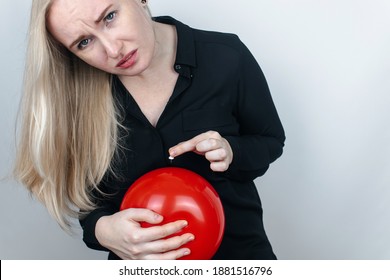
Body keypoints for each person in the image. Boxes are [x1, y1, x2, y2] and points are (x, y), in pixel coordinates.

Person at [14, 0, 285, 260]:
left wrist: (231, 151)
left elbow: (270, 141)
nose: (112, 49)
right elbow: (88, 202)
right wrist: (102, 230)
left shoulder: (226, 55)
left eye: (109, 17)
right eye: (84, 42)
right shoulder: (75, 100)